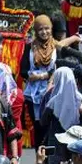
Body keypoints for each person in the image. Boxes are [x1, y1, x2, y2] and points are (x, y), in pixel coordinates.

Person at [22, 15, 58, 147]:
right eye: (40, 29)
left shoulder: (56, 47)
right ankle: (39, 159)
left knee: (50, 126)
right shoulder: (30, 47)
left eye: (47, 28)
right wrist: (31, 76)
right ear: (36, 31)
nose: (44, 32)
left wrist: (42, 76)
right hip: (33, 95)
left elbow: (58, 68)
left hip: (52, 92)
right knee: (38, 127)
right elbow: (23, 70)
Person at [45, 67, 82, 164]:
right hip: (74, 142)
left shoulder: (53, 101)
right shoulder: (81, 99)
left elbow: (43, 121)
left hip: (55, 142)